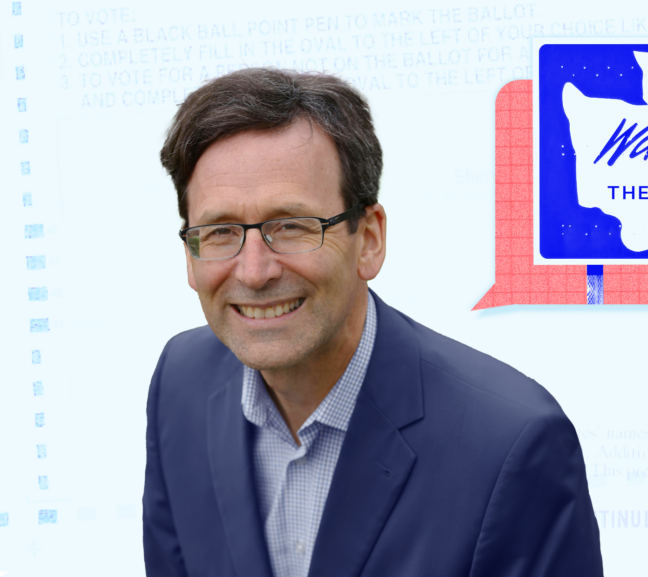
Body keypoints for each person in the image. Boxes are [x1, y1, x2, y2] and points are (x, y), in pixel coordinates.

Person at [142, 67, 603, 577]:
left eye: (291, 226)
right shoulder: (178, 385)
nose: (253, 272)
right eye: (221, 232)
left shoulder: (512, 446)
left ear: (369, 240)